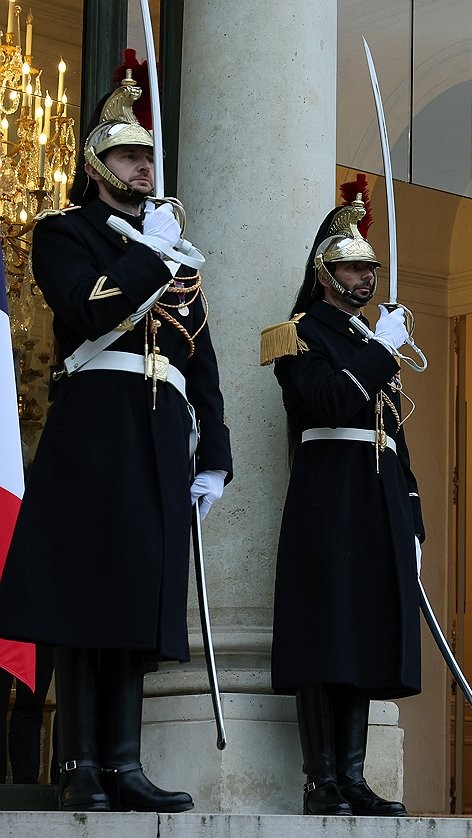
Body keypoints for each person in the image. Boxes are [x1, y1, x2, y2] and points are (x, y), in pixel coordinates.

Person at [0, 75, 231, 812]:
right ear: (97, 166)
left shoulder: (176, 250)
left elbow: (203, 359)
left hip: (161, 430)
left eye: (147, 157)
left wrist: (216, 452)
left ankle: (125, 763)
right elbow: (86, 307)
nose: (143, 168)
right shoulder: (64, 233)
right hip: (94, 420)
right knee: (82, 592)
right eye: (128, 156)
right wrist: (151, 258)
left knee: (136, 592)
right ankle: (80, 763)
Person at [264, 191, 423, 817]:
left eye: (370, 268)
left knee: (363, 631)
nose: (366, 277)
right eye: (354, 267)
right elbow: (330, 402)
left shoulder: (370, 338)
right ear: (325, 272)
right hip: (328, 493)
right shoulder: (297, 334)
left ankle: (354, 776)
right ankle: (321, 778)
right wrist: (381, 350)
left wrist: (412, 513)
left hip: (377, 493)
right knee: (323, 631)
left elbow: (395, 434)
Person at [0, 645, 53, 783]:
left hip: (39, 633)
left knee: (30, 709)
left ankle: (26, 782)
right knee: (29, 711)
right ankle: (26, 782)